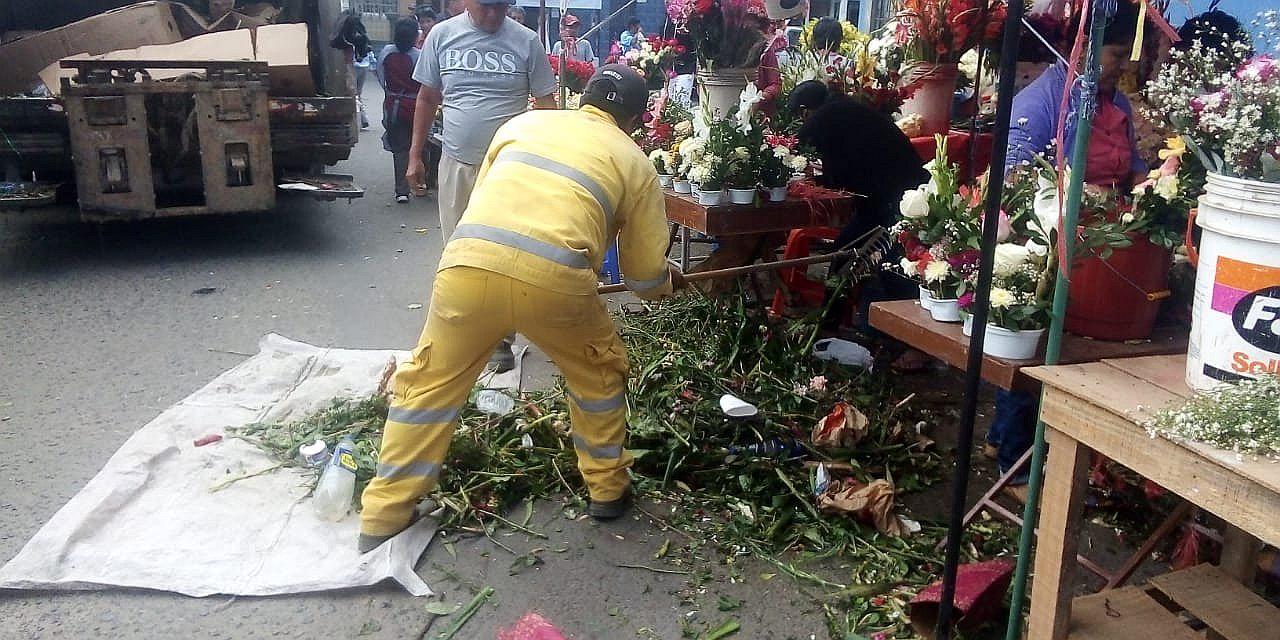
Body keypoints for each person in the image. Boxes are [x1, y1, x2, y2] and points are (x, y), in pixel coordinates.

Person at [357, 65, 686, 553]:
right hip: (555, 282)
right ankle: (607, 489)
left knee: (427, 385)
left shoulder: (521, 124)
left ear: (583, 96)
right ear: (636, 118)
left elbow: (484, 197)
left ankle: (383, 514)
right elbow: (640, 274)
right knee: (597, 375)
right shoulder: (634, 162)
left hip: (468, 266)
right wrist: (664, 285)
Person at [995, 1, 1149, 494]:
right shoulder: (1043, 102)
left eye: (1126, 55)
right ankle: (1014, 454)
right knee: (1039, 342)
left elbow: (1137, 167)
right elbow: (1013, 174)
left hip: (1104, 245)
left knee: (1080, 351)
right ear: (1083, 49)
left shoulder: (1117, 106)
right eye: (1116, 53)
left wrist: (1149, 193)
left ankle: (1016, 440)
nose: (1122, 65)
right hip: (1049, 236)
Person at [406, 0, 558, 371]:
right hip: (457, 162)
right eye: (486, 6)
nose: (493, 15)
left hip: (510, 169)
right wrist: (414, 156)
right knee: (457, 251)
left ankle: (500, 339)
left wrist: (549, 165)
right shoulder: (441, 36)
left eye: (501, 7)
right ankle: (460, 331)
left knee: (505, 253)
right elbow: (426, 98)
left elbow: (547, 105)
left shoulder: (526, 41)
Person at [377, 19, 426, 203]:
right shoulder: (419, 56)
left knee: (400, 150)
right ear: (415, 36)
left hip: (393, 107)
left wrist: (391, 93)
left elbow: (381, 78)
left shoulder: (386, 53)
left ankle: (402, 191)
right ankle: (421, 185)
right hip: (416, 108)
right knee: (420, 145)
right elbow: (425, 82)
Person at [353, 49, 376, 130]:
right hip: (364, 66)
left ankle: (359, 120)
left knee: (352, 94)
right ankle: (363, 119)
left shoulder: (348, 37)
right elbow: (370, 53)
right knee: (358, 94)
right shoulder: (363, 37)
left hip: (353, 66)